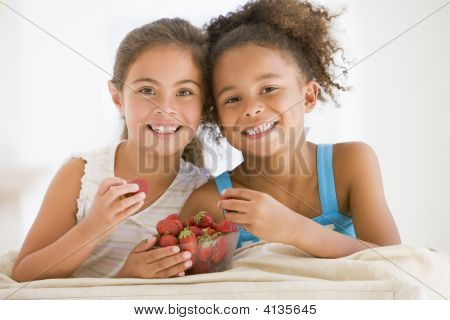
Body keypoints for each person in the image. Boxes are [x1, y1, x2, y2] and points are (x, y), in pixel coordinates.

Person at [180, 0, 401, 258]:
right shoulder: (211, 203)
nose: (251, 108)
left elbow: (395, 263)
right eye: (232, 99)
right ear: (218, 119)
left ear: (308, 96)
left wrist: (294, 229)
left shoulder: (350, 164)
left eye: (269, 89)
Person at [11, 18, 210, 281]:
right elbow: (24, 276)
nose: (165, 107)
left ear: (205, 106)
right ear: (118, 98)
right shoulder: (81, 175)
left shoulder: (202, 192)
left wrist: (129, 280)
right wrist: (94, 227)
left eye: (184, 92)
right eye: (147, 90)